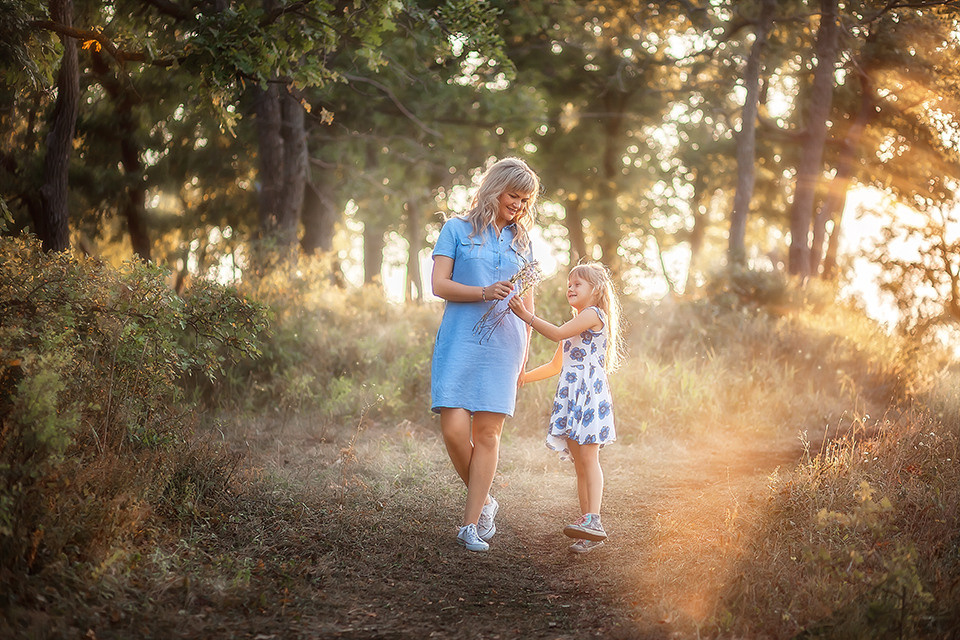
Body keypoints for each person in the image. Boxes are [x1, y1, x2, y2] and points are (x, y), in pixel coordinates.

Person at [430, 157, 541, 552]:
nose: (520, 205)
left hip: (505, 346)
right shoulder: (455, 230)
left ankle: (471, 524)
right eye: (515, 195)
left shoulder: (523, 243)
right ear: (494, 188)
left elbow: (527, 306)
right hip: (459, 340)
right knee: (454, 431)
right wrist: (481, 292)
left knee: (489, 435)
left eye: (526, 200)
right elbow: (439, 285)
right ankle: (488, 499)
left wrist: (524, 355)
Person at [508, 262, 623, 554]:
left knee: (589, 458)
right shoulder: (576, 320)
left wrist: (527, 316)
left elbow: (557, 334)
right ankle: (587, 527)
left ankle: (594, 520)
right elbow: (555, 365)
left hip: (588, 394)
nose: (570, 288)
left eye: (577, 284)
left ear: (595, 290)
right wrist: (522, 377)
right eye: (568, 285)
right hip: (571, 394)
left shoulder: (592, 314)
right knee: (580, 465)